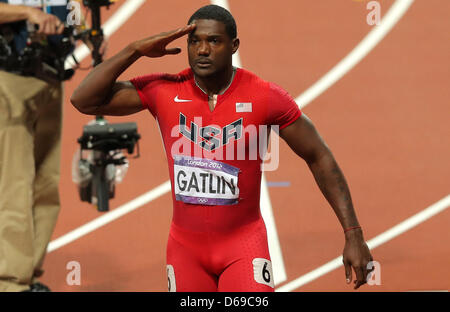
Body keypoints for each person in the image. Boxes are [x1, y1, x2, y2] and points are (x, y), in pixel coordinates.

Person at [71, 5, 373, 292]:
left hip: (243, 245)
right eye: (195, 41)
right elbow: (84, 100)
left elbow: (318, 155)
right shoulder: (164, 90)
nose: (202, 50)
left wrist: (353, 234)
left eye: (214, 41)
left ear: (234, 45)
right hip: (185, 250)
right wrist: (135, 49)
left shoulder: (265, 97)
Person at [0, 0, 73, 292]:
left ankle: (28, 273)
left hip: (52, 74)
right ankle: (10, 282)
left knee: (46, 182)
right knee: (14, 183)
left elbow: (73, 9)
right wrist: (28, 13)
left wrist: (89, 37)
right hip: (10, 79)